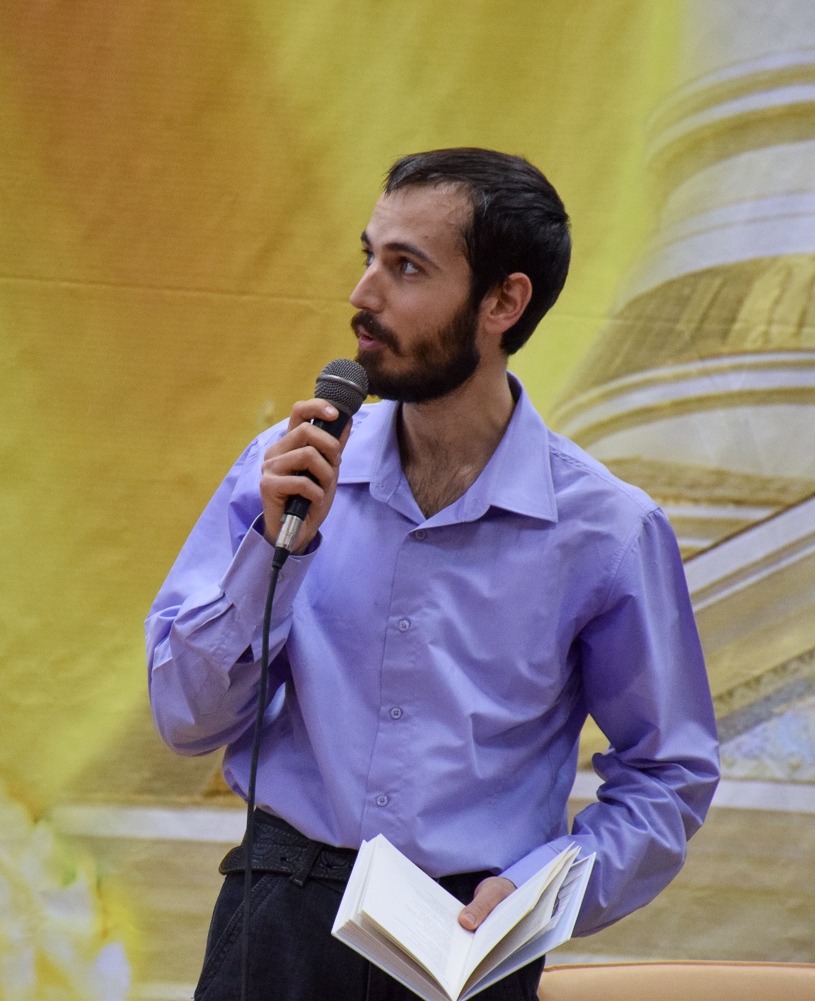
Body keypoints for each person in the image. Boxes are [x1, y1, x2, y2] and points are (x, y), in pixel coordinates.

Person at [146, 148, 719, 1001]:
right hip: (278, 917)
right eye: (368, 256)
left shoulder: (605, 529)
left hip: (467, 937)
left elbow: (668, 769)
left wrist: (548, 886)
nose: (363, 294)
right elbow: (186, 717)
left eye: (406, 267)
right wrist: (276, 548)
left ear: (503, 302)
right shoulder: (287, 471)